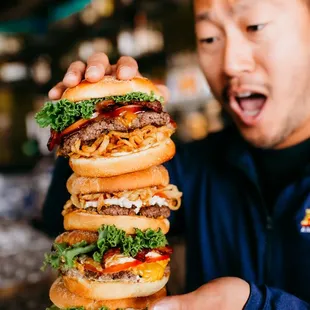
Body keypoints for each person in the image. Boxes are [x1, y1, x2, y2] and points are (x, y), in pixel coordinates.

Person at [42, 0, 310, 309]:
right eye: (209, 38)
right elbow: (56, 220)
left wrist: (261, 305)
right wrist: (94, 123)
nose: (230, 64)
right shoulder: (193, 165)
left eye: (255, 27)